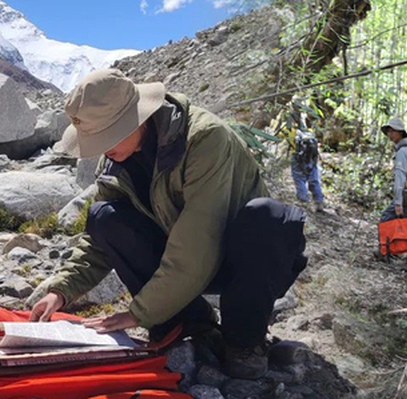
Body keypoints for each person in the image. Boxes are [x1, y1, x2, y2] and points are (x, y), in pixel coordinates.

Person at [29, 68, 308, 380]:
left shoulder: (205, 139)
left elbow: (200, 240)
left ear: (138, 117)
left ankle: (244, 341)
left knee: (267, 217)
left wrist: (139, 313)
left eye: (107, 135)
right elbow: (97, 242)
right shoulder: (116, 160)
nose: (102, 148)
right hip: (183, 255)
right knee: (104, 217)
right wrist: (63, 290)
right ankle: (188, 324)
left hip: (242, 261)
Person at [375, 117, 407, 268]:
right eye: (388, 131)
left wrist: (398, 202)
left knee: (387, 218)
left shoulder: (403, 152)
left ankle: (386, 251)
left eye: (392, 131)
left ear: (400, 133)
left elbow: (400, 178)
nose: (389, 134)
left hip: (404, 193)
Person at [287, 99, 325, 212]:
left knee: (299, 179)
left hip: (298, 157)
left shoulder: (291, 130)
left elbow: (284, 136)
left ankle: (304, 204)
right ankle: (319, 202)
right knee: (314, 180)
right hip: (312, 159)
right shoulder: (307, 128)